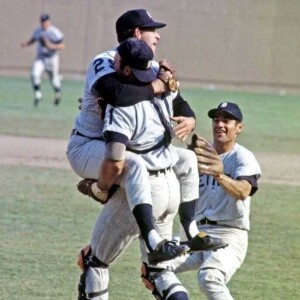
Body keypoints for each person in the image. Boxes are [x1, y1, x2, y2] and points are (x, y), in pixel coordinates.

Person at [67, 10, 225, 300]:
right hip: (98, 151)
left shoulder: (141, 73)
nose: (159, 34)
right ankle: (190, 227)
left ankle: (152, 227)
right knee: (160, 271)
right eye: (153, 29)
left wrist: (101, 189)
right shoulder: (115, 65)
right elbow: (116, 91)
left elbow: (120, 146)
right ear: (138, 33)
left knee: (95, 261)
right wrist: (161, 85)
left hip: (137, 175)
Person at [149, 102, 261, 300]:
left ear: (239, 128)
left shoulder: (243, 157)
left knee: (210, 278)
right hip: (196, 234)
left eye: (226, 120)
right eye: (216, 120)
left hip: (229, 234)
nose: (220, 124)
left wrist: (220, 175)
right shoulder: (198, 156)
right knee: (154, 265)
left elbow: (244, 191)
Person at [21, 13, 65, 107]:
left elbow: (62, 46)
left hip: (52, 58)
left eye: (45, 21)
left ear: (49, 21)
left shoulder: (54, 31)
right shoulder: (38, 31)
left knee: (53, 79)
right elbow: (33, 40)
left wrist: (51, 46)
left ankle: (58, 93)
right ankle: (38, 95)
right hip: (41, 57)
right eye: (42, 21)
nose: (44, 23)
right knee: (34, 74)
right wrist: (25, 43)